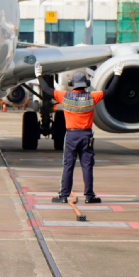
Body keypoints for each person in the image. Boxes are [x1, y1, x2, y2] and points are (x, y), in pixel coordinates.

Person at [37, 66, 122, 204]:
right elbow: (110, 91)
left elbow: (47, 90)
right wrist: (117, 74)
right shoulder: (92, 97)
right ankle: (89, 196)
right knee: (87, 166)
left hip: (71, 136)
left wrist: (39, 75)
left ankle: (63, 196)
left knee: (68, 166)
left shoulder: (64, 96)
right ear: (86, 84)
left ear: (72, 84)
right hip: (86, 136)